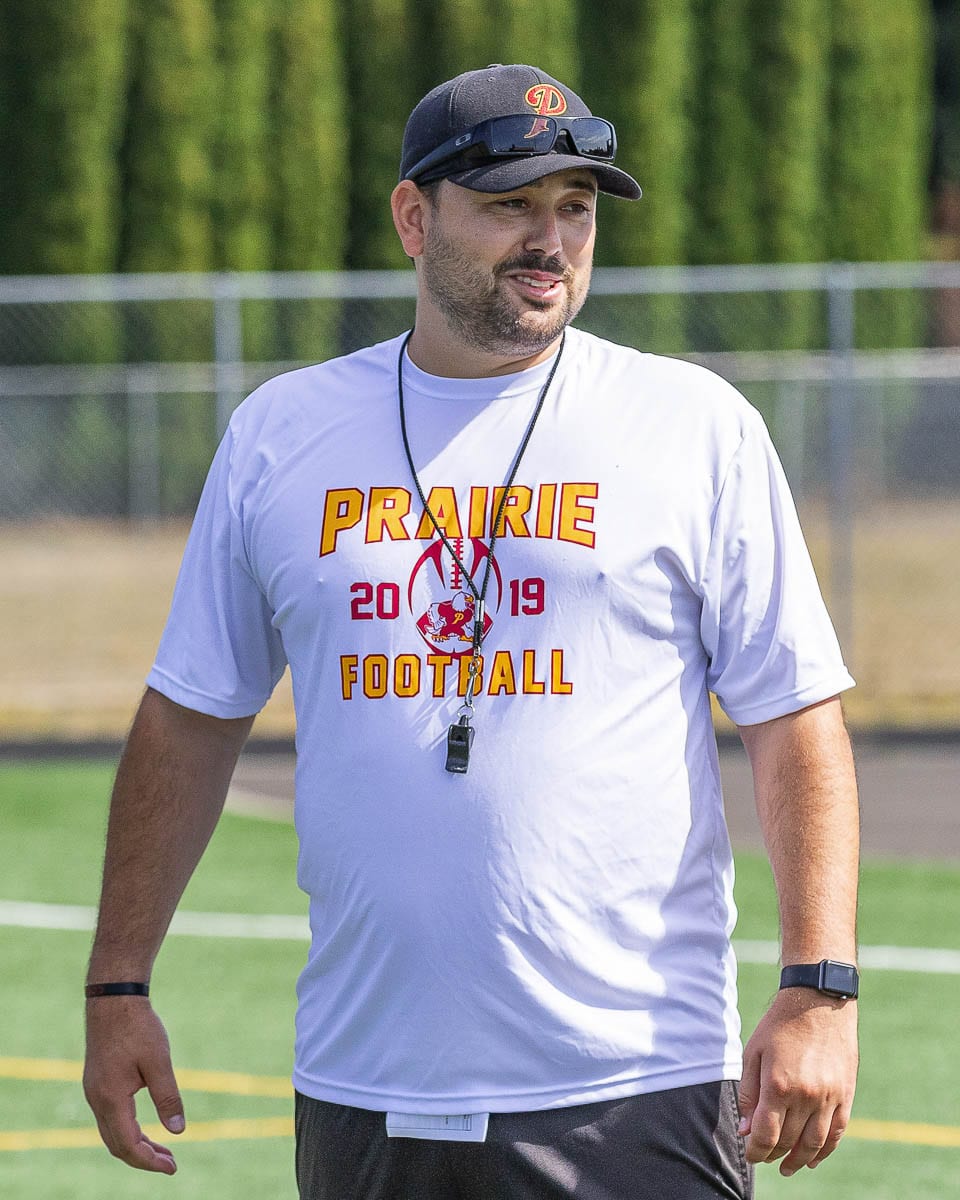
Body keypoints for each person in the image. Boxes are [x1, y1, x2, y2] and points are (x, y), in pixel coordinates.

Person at [83, 64, 860, 1199]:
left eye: (577, 208)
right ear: (413, 216)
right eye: (510, 204)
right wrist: (117, 985)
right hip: (362, 1083)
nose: (552, 238)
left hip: (632, 1085)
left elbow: (795, 717)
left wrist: (820, 989)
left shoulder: (693, 428)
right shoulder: (280, 435)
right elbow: (191, 719)